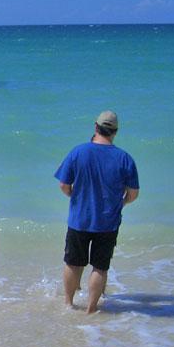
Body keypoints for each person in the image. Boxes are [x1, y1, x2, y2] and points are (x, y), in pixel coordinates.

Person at [54, 111, 139, 313]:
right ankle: (91, 309)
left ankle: (69, 304)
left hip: (79, 219)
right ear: (115, 132)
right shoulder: (125, 159)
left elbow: (64, 185)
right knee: (100, 267)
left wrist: (75, 197)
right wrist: (121, 203)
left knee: (73, 264)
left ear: (95, 127)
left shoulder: (78, 152)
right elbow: (133, 194)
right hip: (108, 222)